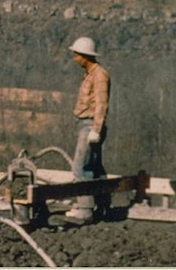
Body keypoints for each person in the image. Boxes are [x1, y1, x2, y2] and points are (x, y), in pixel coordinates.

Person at [66, 36, 111, 223]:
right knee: (93, 167)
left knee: (80, 168)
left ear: (85, 56)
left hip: (90, 125)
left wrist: (96, 129)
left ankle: (85, 210)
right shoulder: (90, 74)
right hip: (86, 124)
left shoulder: (99, 75)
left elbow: (102, 104)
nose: (74, 59)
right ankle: (102, 205)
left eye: (76, 55)